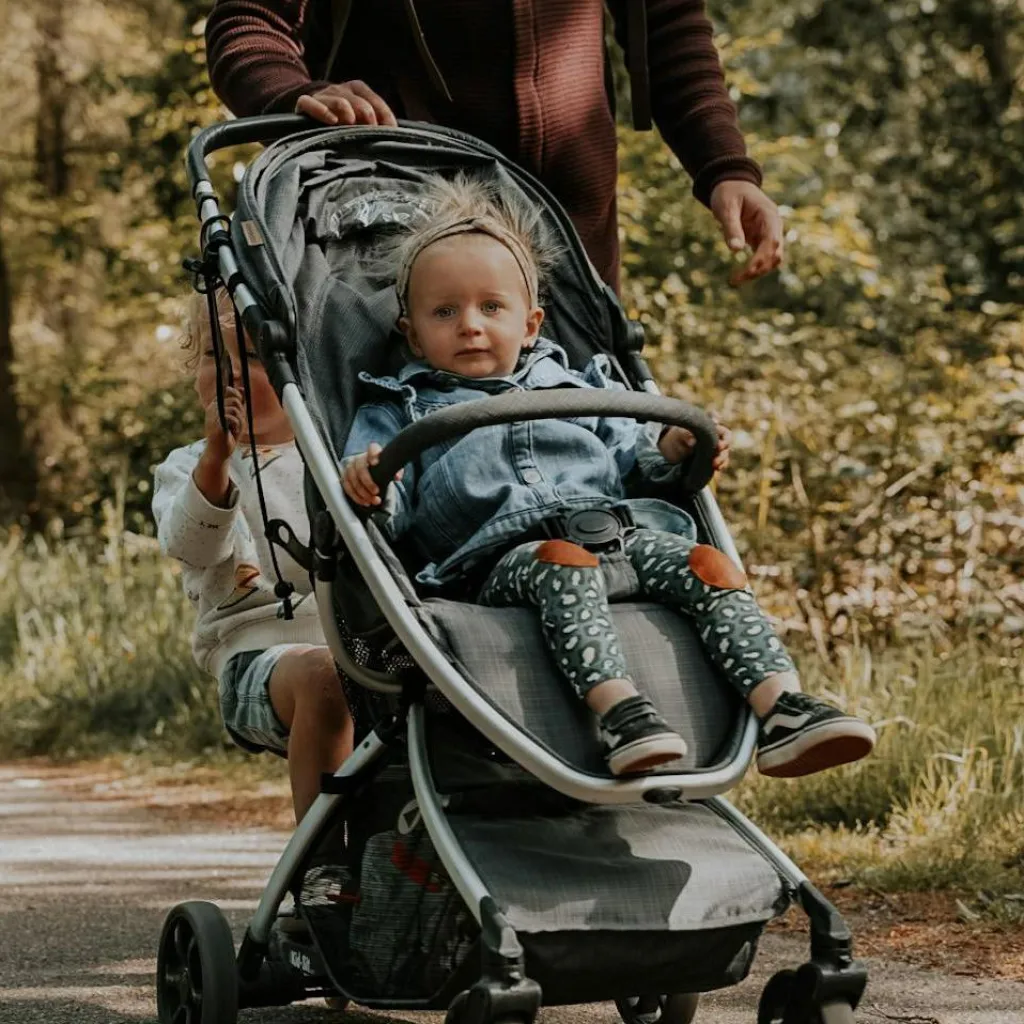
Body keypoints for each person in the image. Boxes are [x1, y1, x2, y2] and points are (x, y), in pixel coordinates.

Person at [341, 176, 874, 776]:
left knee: (709, 565)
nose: (470, 325)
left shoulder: (580, 387)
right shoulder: (398, 408)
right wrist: (371, 482)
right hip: (498, 562)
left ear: (531, 324)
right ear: (412, 334)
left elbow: (633, 459)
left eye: (491, 307)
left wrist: (671, 448)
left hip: (623, 533)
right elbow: (382, 498)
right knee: (562, 565)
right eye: (445, 311)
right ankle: (623, 715)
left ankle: (782, 707)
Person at [204, 0, 784, 291]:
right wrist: (299, 96)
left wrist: (724, 166)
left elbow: (670, 27)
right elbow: (248, 22)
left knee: (590, 454)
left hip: (574, 256)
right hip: (395, 250)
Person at [152, 290, 354, 822]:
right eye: (215, 355)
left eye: (257, 356)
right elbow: (193, 545)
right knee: (326, 680)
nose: (233, 374)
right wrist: (217, 459)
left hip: (356, 647)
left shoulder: (338, 456)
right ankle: (322, 855)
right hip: (254, 659)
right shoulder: (187, 467)